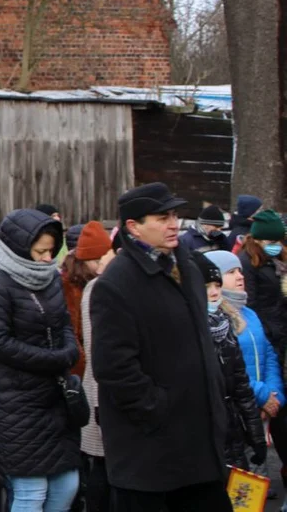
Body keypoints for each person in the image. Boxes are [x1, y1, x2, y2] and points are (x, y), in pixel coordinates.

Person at [90, 183, 230, 511]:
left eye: (175, 215)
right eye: (161, 217)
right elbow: (114, 368)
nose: (173, 224)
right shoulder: (116, 284)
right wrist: (157, 408)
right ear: (133, 226)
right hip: (152, 453)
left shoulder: (188, 268)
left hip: (199, 443)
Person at [0, 209, 80, 511]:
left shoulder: (49, 280)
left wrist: (69, 351)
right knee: (31, 491)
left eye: (52, 250)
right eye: (40, 251)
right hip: (15, 403)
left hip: (54, 399)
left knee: (67, 483)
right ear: (20, 248)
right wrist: (54, 359)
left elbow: (63, 323)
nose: (48, 258)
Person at [199, 254, 265, 470]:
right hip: (206, 431)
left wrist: (256, 436)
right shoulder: (187, 329)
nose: (214, 292)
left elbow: (241, 385)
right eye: (207, 286)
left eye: (217, 285)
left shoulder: (227, 325)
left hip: (232, 425)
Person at [78, 231, 117, 512]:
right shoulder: (99, 288)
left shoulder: (100, 285)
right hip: (101, 391)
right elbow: (97, 346)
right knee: (105, 468)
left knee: (106, 467)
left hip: (99, 388)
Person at [60, 221, 113, 378]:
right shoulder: (69, 286)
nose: (101, 266)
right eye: (96, 261)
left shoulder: (109, 280)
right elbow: (71, 334)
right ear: (83, 260)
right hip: (85, 369)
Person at [239, 209, 287, 352]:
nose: (277, 245)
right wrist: (267, 330)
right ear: (257, 240)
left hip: (280, 328)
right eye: (272, 241)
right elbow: (250, 302)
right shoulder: (247, 262)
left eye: (279, 240)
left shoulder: (278, 259)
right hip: (267, 332)